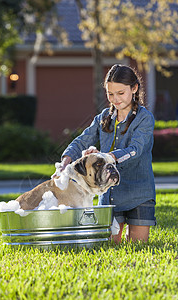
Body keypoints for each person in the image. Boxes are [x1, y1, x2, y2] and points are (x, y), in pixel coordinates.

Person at [58, 64, 156, 244]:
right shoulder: (103, 117)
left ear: (134, 89)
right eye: (110, 94)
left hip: (140, 193)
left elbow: (136, 149)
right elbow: (82, 140)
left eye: (121, 93)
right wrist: (65, 162)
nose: (115, 99)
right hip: (110, 195)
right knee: (110, 245)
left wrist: (107, 157)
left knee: (138, 247)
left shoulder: (145, 118)